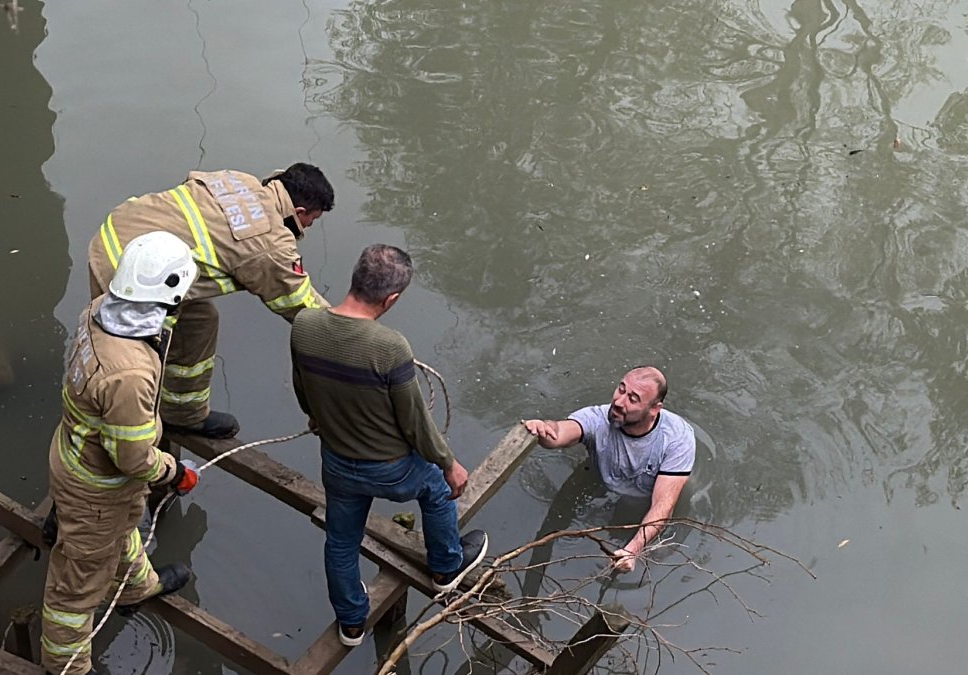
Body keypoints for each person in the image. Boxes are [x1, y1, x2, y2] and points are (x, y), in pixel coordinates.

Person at [290, 244, 488, 647]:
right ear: (392, 298)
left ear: (355, 278)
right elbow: (415, 420)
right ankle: (446, 569)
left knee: (342, 541)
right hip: (391, 470)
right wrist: (448, 463)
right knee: (435, 489)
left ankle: (351, 623)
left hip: (338, 465)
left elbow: (302, 388)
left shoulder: (304, 325)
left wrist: (317, 415)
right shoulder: (390, 346)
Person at [41, 232, 203, 675]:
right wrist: (173, 471)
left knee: (124, 528)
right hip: (98, 486)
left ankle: (136, 588)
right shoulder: (128, 372)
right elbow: (131, 459)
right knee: (76, 587)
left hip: (81, 460)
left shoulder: (96, 313)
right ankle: (67, 666)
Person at [87, 163, 335, 439]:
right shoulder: (269, 241)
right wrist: (346, 327)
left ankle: (184, 415)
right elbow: (298, 303)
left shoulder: (239, 180)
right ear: (299, 212)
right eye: (310, 222)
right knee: (136, 361)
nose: (307, 230)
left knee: (200, 321)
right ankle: (136, 436)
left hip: (118, 232)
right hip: (132, 272)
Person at [522, 366, 695, 572]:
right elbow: (559, 433)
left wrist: (633, 550)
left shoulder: (677, 438)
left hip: (645, 498)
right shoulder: (597, 418)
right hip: (601, 484)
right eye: (621, 389)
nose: (619, 402)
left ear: (654, 409)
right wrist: (543, 429)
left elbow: (663, 504)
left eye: (633, 399)